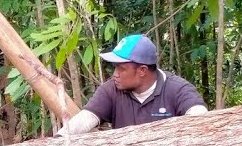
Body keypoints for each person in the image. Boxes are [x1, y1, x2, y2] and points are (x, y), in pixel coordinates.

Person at [60, 34, 207, 135]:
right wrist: (59, 140)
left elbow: (199, 117)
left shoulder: (177, 89)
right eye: (115, 67)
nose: (115, 74)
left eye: (121, 68)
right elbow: (85, 119)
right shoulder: (111, 89)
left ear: (142, 70)